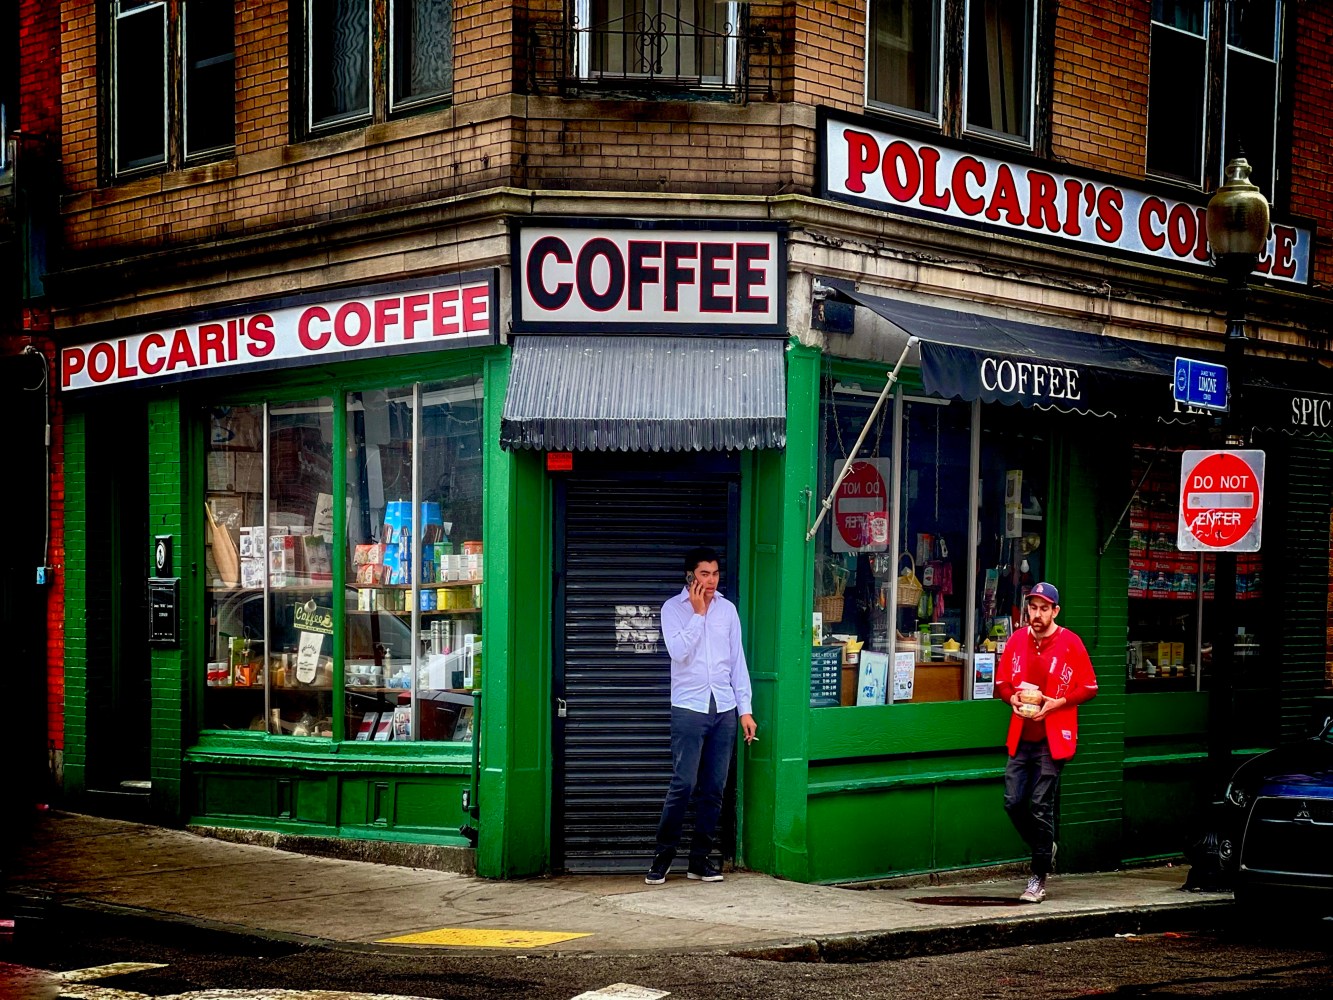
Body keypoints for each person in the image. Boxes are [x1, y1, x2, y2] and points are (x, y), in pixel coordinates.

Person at [646, 546, 758, 885]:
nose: (710, 581)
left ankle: (699, 861)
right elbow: (678, 653)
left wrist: (746, 710)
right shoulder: (673, 609)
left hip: (723, 709)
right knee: (684, 784)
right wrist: (696, 614)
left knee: (714, 788)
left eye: (714, 573)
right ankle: (662, 858)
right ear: (690, 577)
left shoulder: (728, 611)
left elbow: (737, 663)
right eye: (703, 574)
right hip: (689, 708)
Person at [995, 581, 1098, 903]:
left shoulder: (1070, 642)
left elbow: (1090, 686)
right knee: (1013, 801)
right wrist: (1011, 698)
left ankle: (1037, 878)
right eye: (1033, 607)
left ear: (1055, 611)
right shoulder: (1016, 640)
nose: (1036, 614)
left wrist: (1058, 702)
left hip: (1053, 738)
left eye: (1044, 608)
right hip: (1022, 734)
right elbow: (1001, 683)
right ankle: (1045, 846)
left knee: (1041, 805)